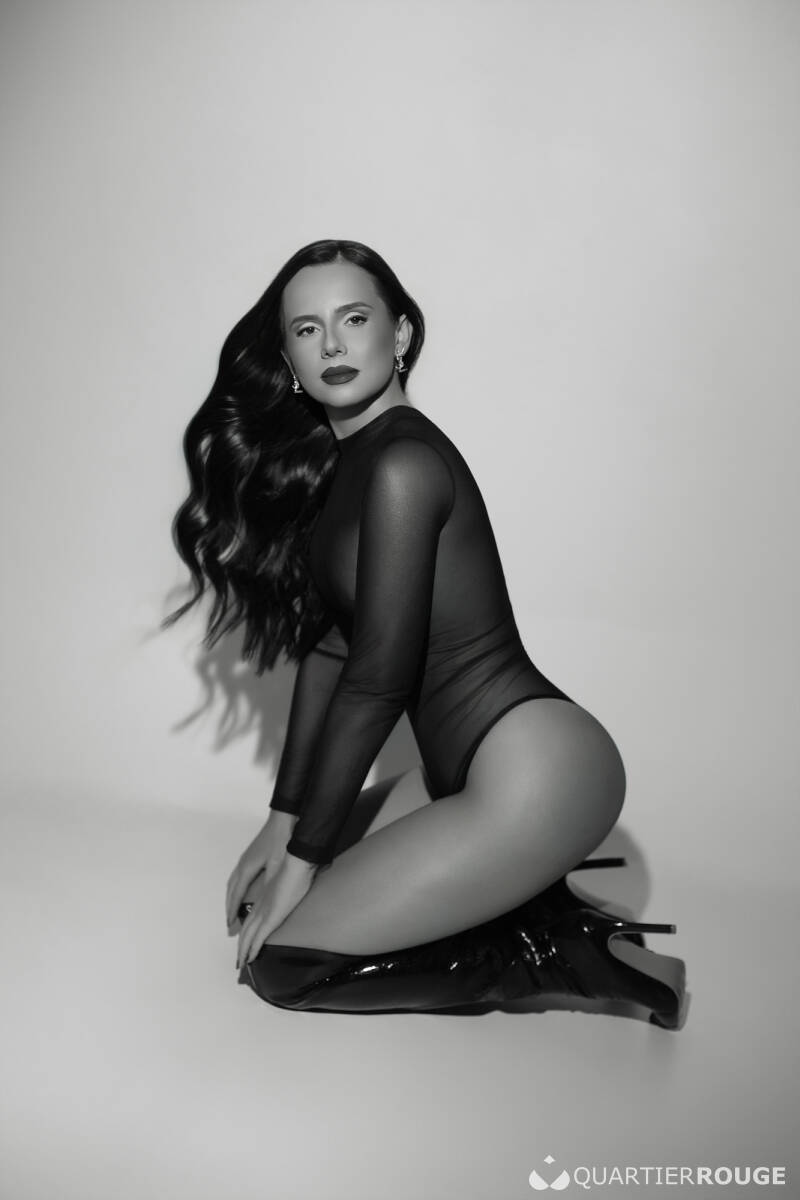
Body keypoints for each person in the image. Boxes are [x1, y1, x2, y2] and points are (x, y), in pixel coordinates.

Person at [164, 239, 687, 1028]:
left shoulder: (405, 462)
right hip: (460, 772)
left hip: (537, 771)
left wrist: (300, 862)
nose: (332, 345)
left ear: (400, 333)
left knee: (285, 966)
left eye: (354, 319)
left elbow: (379, 677)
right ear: (290, 361)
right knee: (296, 895)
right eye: (307, 330)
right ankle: (527, 894)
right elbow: (332, 651)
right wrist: (283, 826)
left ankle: (563, 950)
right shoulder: (350, 466)